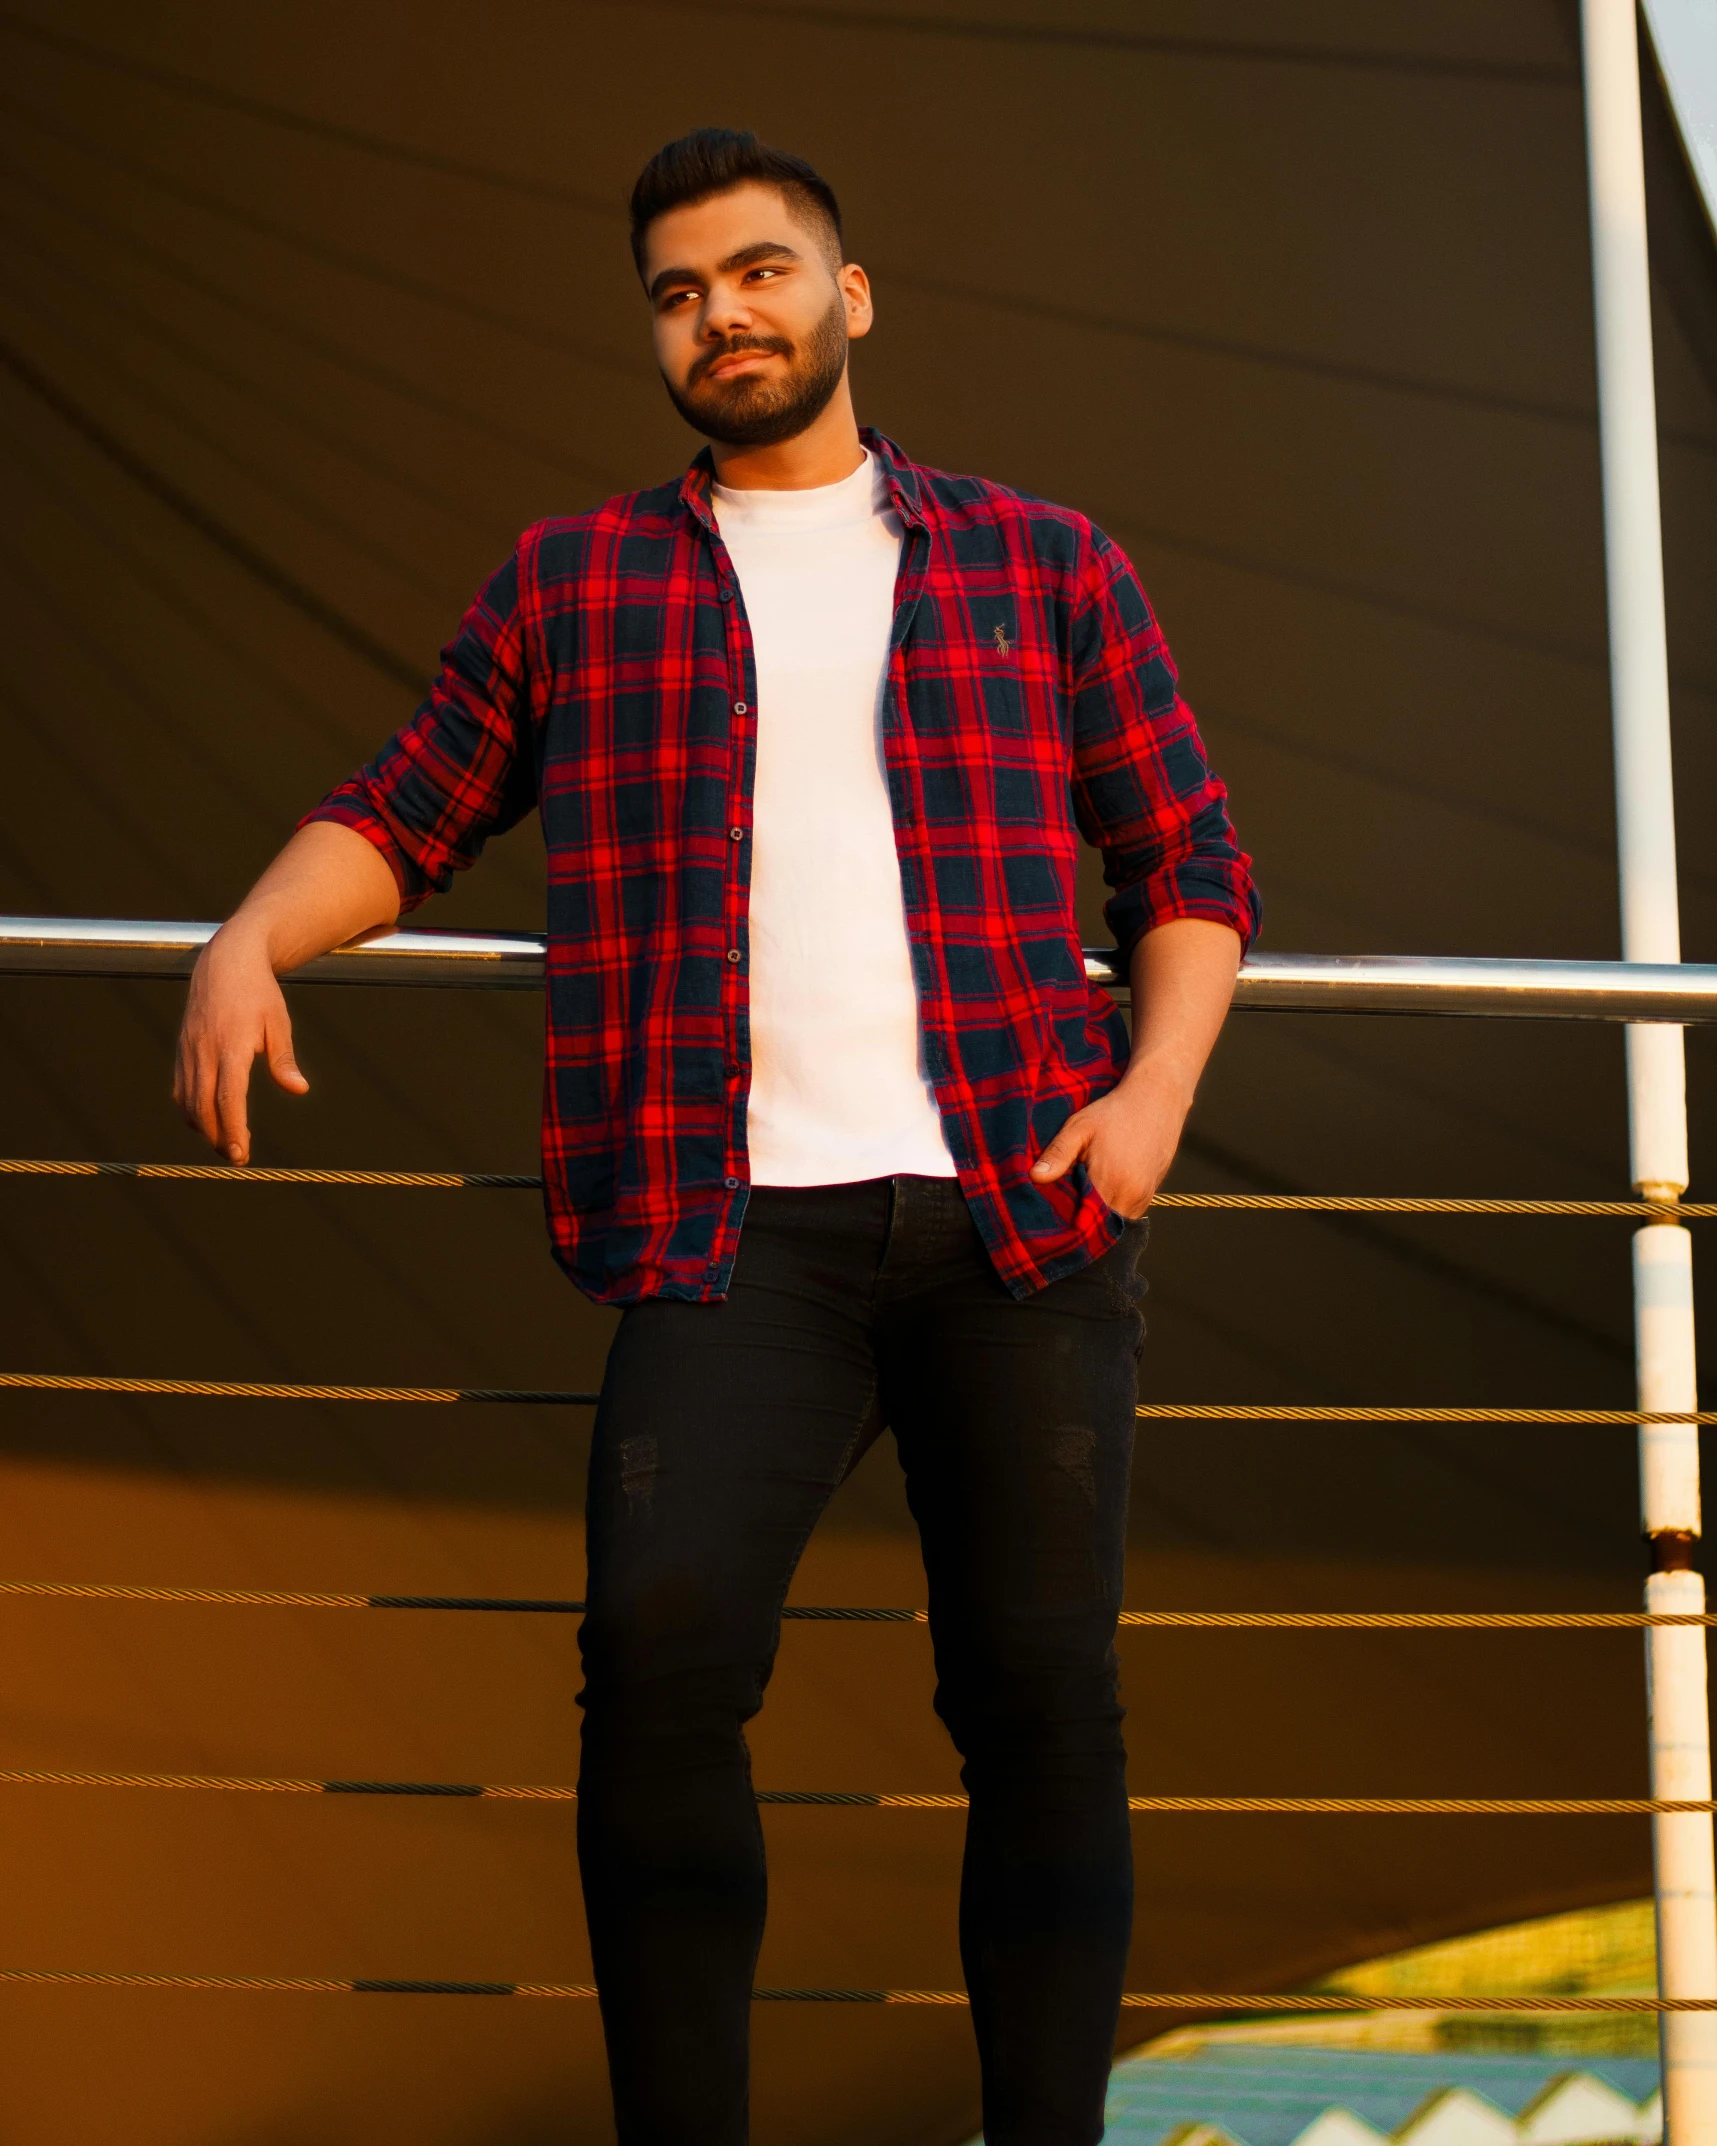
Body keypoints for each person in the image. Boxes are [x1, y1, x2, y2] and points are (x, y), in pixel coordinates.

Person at [173, 127, 1259, 2146]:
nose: (720, 315)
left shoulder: (1043, 556)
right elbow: (405, 811)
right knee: (657, 1660)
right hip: (732, 1229)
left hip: (1025, 1209)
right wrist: (249, 932)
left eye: (757, 273)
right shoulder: (578, 579)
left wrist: (1150, 1106)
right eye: (678, 292)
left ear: (850, 297)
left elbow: (1184, 860)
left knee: (1039, 1698)